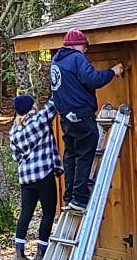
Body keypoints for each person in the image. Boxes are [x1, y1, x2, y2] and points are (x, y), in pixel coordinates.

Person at [48, 29, 125, 211]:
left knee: (71, 154)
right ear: (76, 45)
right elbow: (92, 79)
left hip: (66, 116)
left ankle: (70, 196)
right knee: (85, 153)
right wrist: (112, 71)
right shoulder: (76, 58)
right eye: (84, 46)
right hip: (81, 114)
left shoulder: (57, 60)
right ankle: (80, 197)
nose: (86, 50)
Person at [6, 94, 58, 260]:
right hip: (43, 174)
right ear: (31, 107)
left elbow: (15, 156)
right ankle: (41, 252)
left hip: (26, 178)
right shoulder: (38, 121)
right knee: (48, 212)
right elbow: (54, 104)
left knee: (26, 212)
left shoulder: (13, 131)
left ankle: (19, 252)